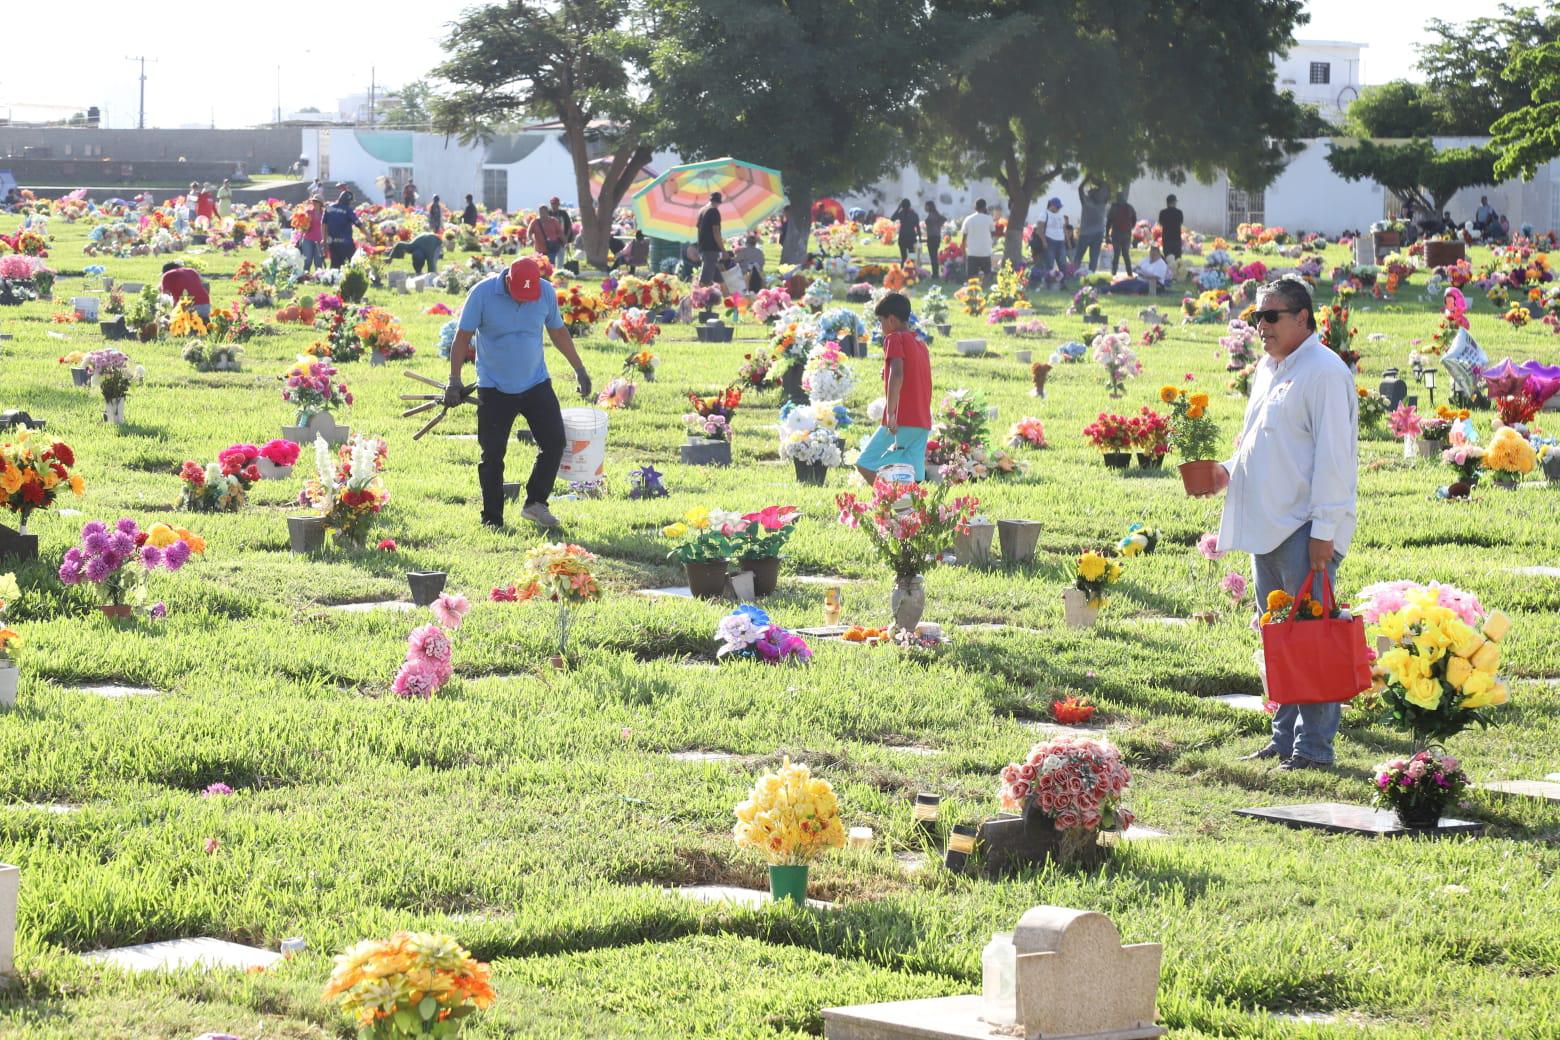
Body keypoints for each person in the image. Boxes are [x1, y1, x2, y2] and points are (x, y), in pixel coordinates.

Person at [1200, 277, 1358, 772]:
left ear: (1303, 318)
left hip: (1302, 528)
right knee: (1278, 635)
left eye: (1271, 316)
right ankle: (1281, 735)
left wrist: (1324, 531)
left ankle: (1314, 749)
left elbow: (1336, 460)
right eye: (1256, 318)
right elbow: (1257, 441)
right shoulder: (1268, 369)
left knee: (1312, 638)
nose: (1261, 327)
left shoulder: (1325, 372)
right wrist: (1226, 469)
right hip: (1264, 524)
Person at [446, 257, 593, 531]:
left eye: (530, 295)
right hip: (493, 386)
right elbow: (462, 337)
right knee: (492, 454)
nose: (525, 301)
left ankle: (536, 503)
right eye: (519, 295)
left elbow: (558, 332)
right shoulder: (483, 293)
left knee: (554, 442)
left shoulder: (546, 292)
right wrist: (454, 381)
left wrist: (579, 369)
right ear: (507, 280)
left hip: (535, 382)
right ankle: (492, 519)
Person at [855, 292, 933, 483]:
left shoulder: (893, 338)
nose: (880, 327)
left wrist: (890, 413)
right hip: (922, 420)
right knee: (913, 475)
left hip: (900, 419)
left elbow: (897, 373)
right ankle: (909, 509)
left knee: (866, 463)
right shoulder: (919, 343)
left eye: (880, 322)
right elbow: (912, 374)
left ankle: (888, 503)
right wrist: (887, 371)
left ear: (891, 320)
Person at [1030, 196, 1069, 288]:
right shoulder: (1044, 214)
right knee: (1049, 264)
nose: (1059, 208)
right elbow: (1040, 229)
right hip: (1049, 240)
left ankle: (1063, 283)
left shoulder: (1060, 215)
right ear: (1052, 205)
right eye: (1057, 206)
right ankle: (1049, 284)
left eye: (1059, 207)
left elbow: (1063, 228)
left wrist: (1066, 239)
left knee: (1063, 263)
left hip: (1060, 242)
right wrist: (1044, 242)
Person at [322, 191, 365, 268]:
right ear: (348, 201)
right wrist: (369, 237)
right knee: (352, 264)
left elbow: (324, 224)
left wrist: (324, 241)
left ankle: (333, 278)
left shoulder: (329, 208)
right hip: (346, 244)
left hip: (333, 243)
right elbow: (359, 224)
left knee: (335, 266)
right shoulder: (348, 210)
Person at [1074, 181, 1108, 272]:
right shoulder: (1102, 204)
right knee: (1094, 257)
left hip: (1085, 233)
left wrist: (1087, 179)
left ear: (1090, 195)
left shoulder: (1086, 203)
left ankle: (1073, 273)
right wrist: (1096, 180)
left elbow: (1080, 189)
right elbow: (1105, 186)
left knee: (1079, 256)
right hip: (1098, 233)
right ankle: (1091, 275)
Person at [960, 199, 995, 281]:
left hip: (972, 252)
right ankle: (983, 286)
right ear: (985, 207)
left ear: (975, 207)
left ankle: (974, 288)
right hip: (985, 252)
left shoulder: (968, 219)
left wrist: (963, 253)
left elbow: (963, 238)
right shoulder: (989, 219)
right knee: (987, 273)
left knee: (972, 275)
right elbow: (992, 233)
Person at [696, 191, 724, 286]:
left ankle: (724, 297)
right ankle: (698, 297)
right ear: (719, 202)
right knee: (705, 280)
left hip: (703, 247)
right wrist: (723, 250)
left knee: (718, 280)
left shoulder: (702, 211)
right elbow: (716, 232)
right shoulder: (713, 211)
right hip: (711, 249)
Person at [1106, 192, 1137, 276]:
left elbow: (1108, 222)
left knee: (1116, 253)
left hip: (1116, 233)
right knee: (1126, 253)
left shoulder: (1114, 208)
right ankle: (1129, 272)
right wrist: (1131, 227)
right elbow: (1134, 219)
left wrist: (1107, 235)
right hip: (1127, 234)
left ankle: (1114, 272)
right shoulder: (1130, 207)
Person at [529, 202, 565, 266]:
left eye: (544, 211)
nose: (542, 213)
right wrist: (531, 239)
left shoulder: (553, 221)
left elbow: (560, 232)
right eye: (541, 212)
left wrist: (564, 242)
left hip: (551, 248)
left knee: (550, 264)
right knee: (540, 265)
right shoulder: (535, 222)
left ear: (547, 212)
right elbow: (529, 232)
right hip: (539, 249)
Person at [298, 196, 326, 272]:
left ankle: (318, 277)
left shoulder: (324, 213)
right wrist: (300, 239)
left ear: (320, 203)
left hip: (320, 241)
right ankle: (305, 276)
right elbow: (302, 227)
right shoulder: (308, 212)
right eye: (313, 201)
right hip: (308, 239)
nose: (314, 203)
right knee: (307, 260)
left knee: (318, 262)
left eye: (316, 201)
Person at [892, 198, 920, 265]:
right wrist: (920, 238)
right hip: (911, 237)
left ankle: (903, 271)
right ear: (910, 205)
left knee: (903, 257)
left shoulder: (901, 213)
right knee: (912, 257)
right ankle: (912, 271)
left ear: (902, 206)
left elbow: (892, 218)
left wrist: (898, 208)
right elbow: (918, 227)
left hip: (903, 237)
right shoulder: (914, 214)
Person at [923, 201, 945, 280]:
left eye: (925, 206)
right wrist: (938, 225)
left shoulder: (931, 215)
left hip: (932, 237)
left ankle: (935, 274)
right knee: (934, 256)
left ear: (929, 206)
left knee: (933, 256)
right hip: (937, 236)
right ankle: (935, 273)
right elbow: (943, 219)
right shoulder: (936, 214)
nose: (924, 208)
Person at [1158, 194, 1184, 260]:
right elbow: (1180, 222)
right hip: (1176, 238)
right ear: (1174, 202)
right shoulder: (1179, 212)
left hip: (1166, 238)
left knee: (1168, 258)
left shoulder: (1163, 213)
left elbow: (1161, 223)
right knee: (1177, 259)